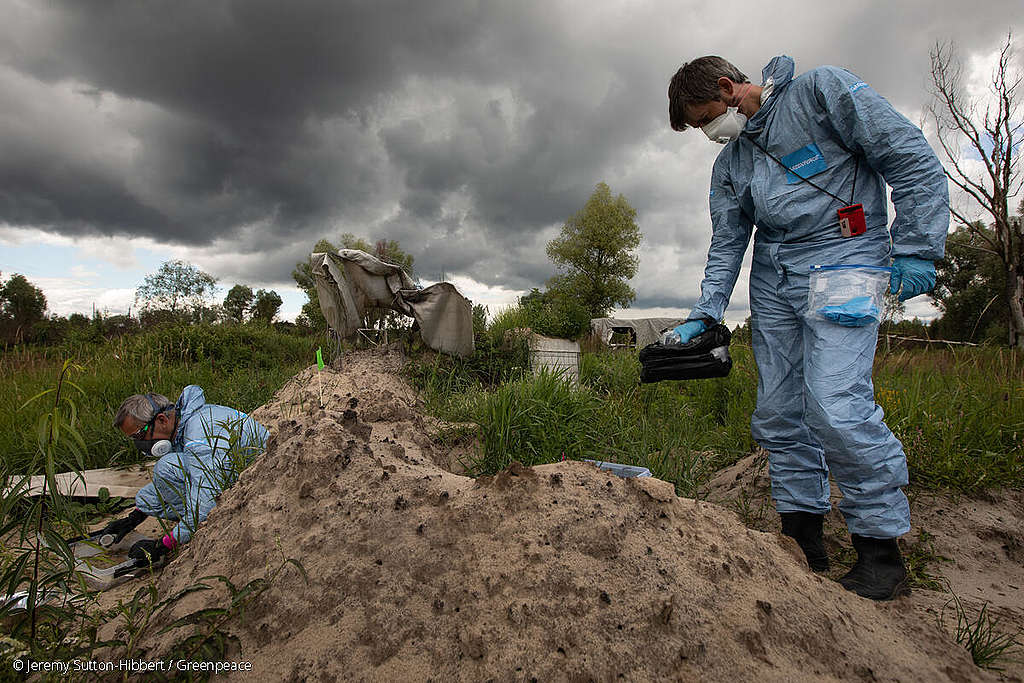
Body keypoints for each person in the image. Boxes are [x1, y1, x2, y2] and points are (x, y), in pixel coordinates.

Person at [667, 56, 948, 600]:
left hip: (847, 259)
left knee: (835, 404)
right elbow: (728, 241)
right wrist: (707, 310)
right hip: (775, 277)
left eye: (706, 118)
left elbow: (909, 158)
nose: (708, 133)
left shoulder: (821, 93)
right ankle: (802, 537)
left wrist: (917, 248)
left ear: (728, 89)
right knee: (779, 411)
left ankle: (879, 549)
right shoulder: (732, 163)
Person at [102, 387, 270, 566]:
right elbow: (177, 479)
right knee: (166, 470)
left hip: (258, 490)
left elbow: (205, 502)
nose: (140, 444)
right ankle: (184, 526)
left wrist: (163, 545)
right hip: (240, 476)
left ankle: (196, 530)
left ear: (162, 420)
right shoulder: (185, 425)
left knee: (166, 467)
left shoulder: (200, 437)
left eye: (139, 435)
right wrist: (135, 517)